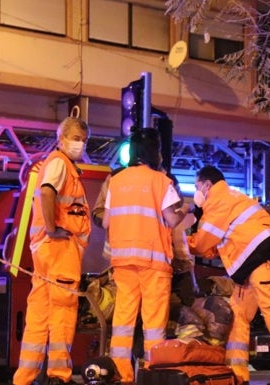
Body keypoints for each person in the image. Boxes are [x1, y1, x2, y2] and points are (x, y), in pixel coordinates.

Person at [187, 165, 270, 385]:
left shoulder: (217, 200)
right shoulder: (233, 196)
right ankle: (237, 374)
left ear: (207, 184)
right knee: (239, 313)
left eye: (197, 186)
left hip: (261, 262)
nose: (197, 192)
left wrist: (180, 241)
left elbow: (203, 241)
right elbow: (217, 244)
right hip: (260, 262)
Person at [102, 128, 190, 383]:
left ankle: (120, 373)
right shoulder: (161, 181)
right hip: (153, 262)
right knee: (153, 323)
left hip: (123, 262)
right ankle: (153, 373)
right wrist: (184, 210)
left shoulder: (116, 181)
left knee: (123, 320)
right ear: (154, 152)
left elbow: (107, 221)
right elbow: (171, 220)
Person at [12, 116, 91, 385]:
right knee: (63, 311)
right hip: (60, 249)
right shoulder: (60, 163)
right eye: (76, 138)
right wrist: (53, 228)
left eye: (84, 140)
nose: (80, 144)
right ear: (62, 139)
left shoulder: (58, 164)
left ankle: (25, 377)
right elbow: (47, 193)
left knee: (39, 315)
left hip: (46, 251)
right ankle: (58, 376)